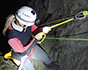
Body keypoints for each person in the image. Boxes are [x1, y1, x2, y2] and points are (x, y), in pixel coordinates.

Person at [3, 6, 59, 70]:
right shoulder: (12, 37)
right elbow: (23, 52)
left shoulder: (26, 24)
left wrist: (42, 31)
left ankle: (50, 66)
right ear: (21, 23)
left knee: (48, 60)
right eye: (29, 24)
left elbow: (35, 30)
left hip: (31, 48)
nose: (30, 25)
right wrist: (35, 39)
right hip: (20, 56)